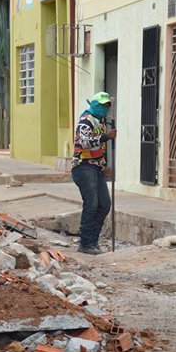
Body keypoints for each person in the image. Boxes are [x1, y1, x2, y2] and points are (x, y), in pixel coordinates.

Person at [72, 91, 117, 255]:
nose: (105, 109)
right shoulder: (86, 121)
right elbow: (84, 142)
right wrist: (105, 137)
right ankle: (85, 243)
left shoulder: (101, 122)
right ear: (95, 105)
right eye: (102, 106)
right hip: (84, 167)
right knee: (91, 205)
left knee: (104, 204)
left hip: (96, 168)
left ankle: (93, 241)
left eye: (107, 106)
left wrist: (104, 165)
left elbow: (100, 149)